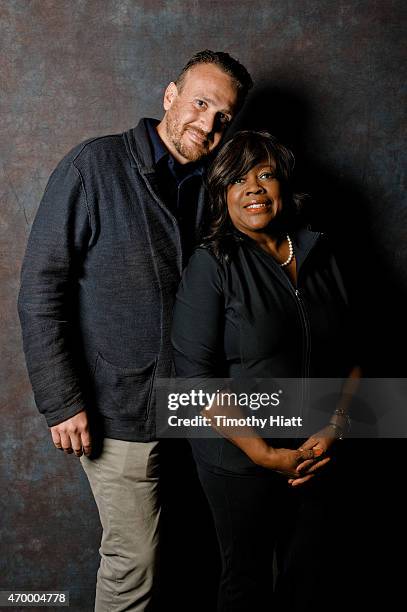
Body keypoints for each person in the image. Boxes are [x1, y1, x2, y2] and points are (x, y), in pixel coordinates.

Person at [17, 51, 253, 612]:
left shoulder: (218, 188)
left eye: (224, 117)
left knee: (197, 554)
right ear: (170, 96)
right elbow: (40, 288)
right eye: (200, 103)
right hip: (117, 407)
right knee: (134, 562)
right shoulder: (94, 166)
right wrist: (61, 401)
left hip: (197, 407)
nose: (208, 123)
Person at [171, 130, 360, 611]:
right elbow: (195, 379)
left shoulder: (323, 254)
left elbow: (356, 355)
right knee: (247, 583)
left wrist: (335, 427)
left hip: (316, 449)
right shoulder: (212, 263)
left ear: (283, 187)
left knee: (314, 577)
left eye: (265, 174)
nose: (253, 187)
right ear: (223, 196)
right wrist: (263, 453)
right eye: (237, 179)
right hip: (239, 456)